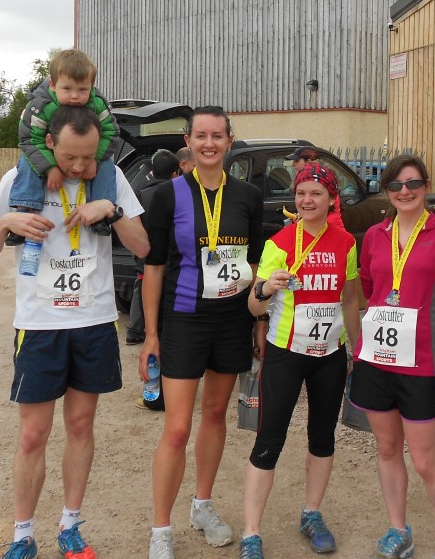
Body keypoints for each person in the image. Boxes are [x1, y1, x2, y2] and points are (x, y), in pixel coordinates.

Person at [0, 105, 150, 559]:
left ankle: (71, 525)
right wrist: (6, 223)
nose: (78, 167)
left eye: (88, 156)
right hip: (39, 324)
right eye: (71, 157)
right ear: (49, 143)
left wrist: (109, 209)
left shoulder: (109, 180)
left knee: (80, 424)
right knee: (33, 434)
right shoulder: (18, 181)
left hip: (92, 322)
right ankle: (22, 534)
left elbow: (144, 246)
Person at [140, 106, 265, 559]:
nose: (209, 143)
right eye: (201, 136)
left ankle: (203, 505)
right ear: (188, 142)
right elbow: (153, 268)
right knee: (176, 428)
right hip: (184, 319)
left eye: (217, 136)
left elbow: (254, 265)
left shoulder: (249, 196)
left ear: (230, 141)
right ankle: (161, 530)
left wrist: (257, 321)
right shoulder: (167, 195)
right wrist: (151, 336)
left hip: (231, 319)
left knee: (214, 416)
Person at [349, 153, 435, 559]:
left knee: (424, 460)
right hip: (378, 359)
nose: (405, 192)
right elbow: (370, 290)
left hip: (422, 363)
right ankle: (398, 528)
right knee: (387, 450)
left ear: (426, 186)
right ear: (386, 190)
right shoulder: (373, 235)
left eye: (413, 184)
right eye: (397, 185)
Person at [239, 163, 361, 559]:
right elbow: (253, 304)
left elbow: (349, 299)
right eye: (301, 193)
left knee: (322, 439)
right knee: (269, 441)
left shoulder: (346, 243)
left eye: (316, 194)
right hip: (286, 354)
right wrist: (266, 287)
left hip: (328, 355)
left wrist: (356, 350)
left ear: (331, 199)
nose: (307, 200)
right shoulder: (279, 243)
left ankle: (312, 514)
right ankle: (251, 533)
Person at [7, 49, 119, 243]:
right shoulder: (40, 106)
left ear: (92, 87)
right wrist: (50, 167)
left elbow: (111, 132)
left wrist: (95, 159)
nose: (75, 96)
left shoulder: (98, 104)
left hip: (91, 155)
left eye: (83, 90)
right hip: (45, 155)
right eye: (67, 89)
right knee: (26, 162)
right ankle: (24, 212)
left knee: (108, 165)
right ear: (53, 84)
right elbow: (29, 140)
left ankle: (101, 215)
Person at [126, 149, 181, 349]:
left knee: (151, 319)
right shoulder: (180, 196)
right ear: (175, 173)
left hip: (146, 267)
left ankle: (137, 334)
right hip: (175, 269)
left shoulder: (140, 196)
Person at [285, 146, 344, 228]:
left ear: (309, 162)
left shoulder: (324, 179)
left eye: (316, 193)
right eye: (300, 193)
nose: (293, 164)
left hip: (328, 229)